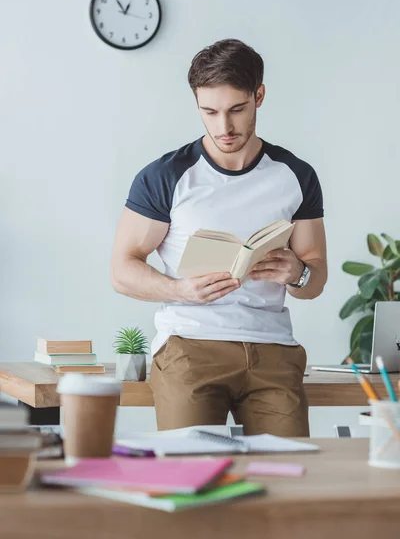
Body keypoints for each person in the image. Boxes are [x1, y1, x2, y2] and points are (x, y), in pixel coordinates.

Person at [111, 38, 327, 436]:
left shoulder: (295, 175)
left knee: (287, 478)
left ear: (258, 96)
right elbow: (123, 270)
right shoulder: (166, 176)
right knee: (192, 478)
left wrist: (296, 272)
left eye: (236, 110)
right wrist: (181, 290)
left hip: (273, 350)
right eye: (208, 112)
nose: (223, 127)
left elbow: (315, 281)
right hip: (190, 346)